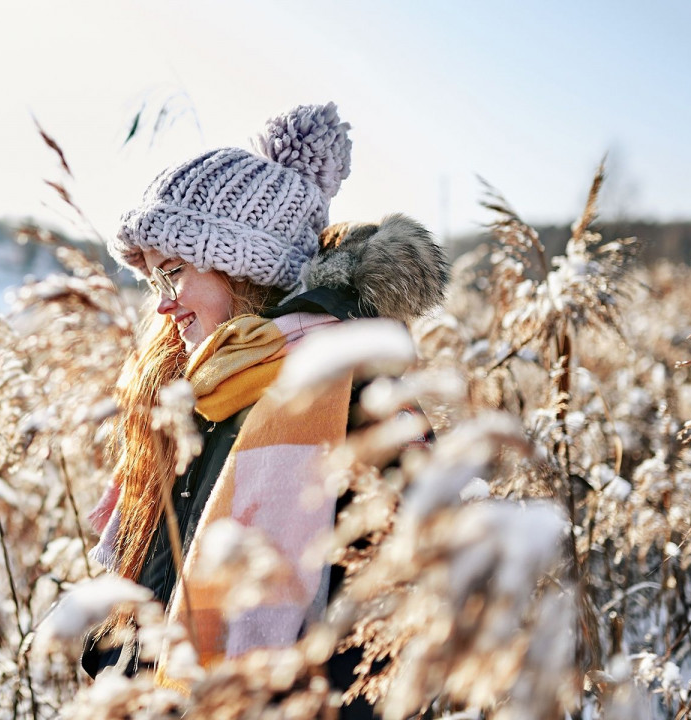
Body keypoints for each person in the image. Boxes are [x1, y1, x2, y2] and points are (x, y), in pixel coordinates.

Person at [82, 103, 450, 710]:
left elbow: (384, 641)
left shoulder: (358, 403)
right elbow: (158, 577)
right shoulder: (204, 393)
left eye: (173, 273)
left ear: (245, 267)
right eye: (153, 282)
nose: (163, 304)